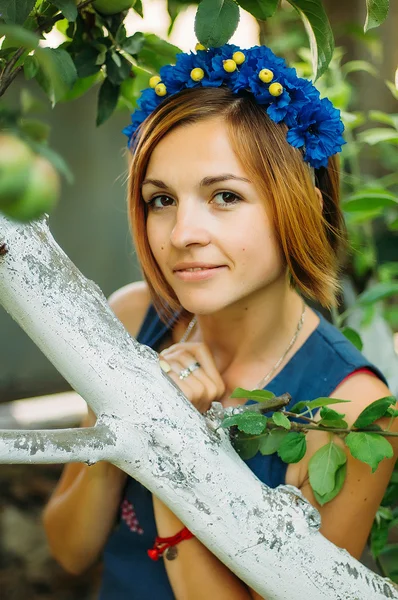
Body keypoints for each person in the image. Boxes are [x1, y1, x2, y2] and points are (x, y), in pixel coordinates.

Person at [43, 43, 398, 599]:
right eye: (161, 200)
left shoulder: (354, 416)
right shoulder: (133, 320)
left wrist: (175, 448)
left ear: (301, 202)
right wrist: (127, 417)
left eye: (225, 196)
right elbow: (69, 551)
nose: (182, 234)